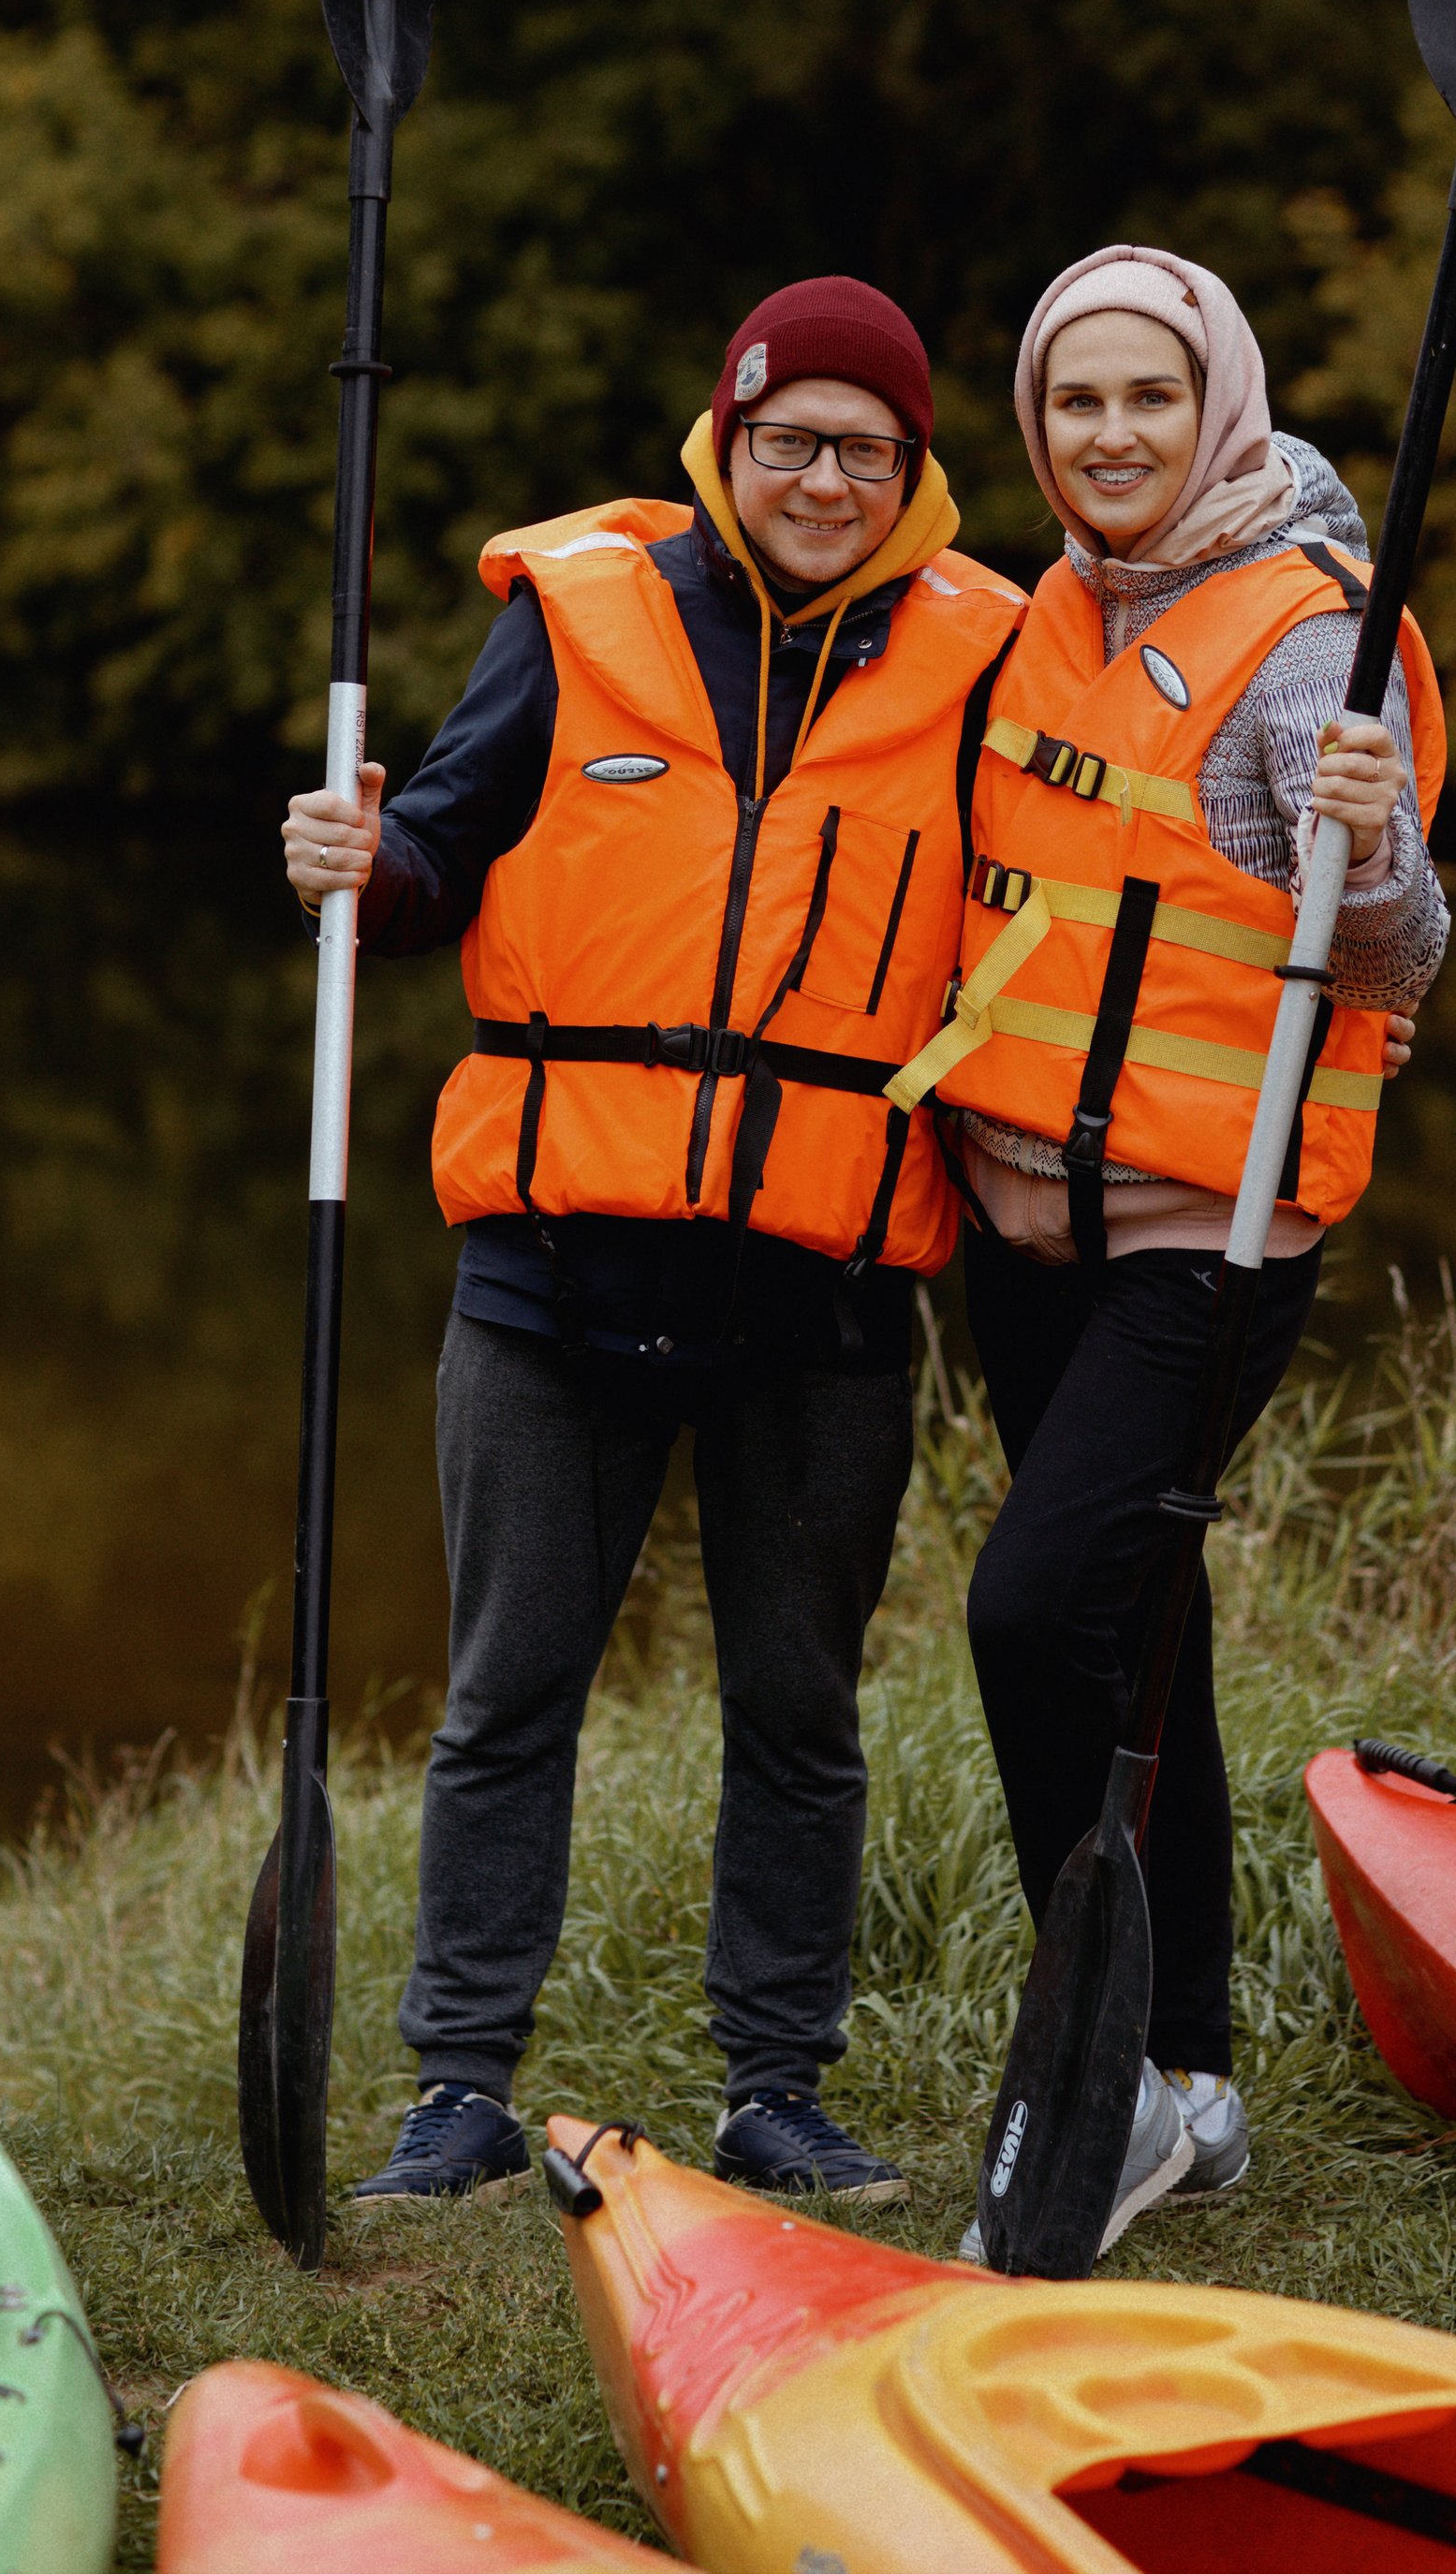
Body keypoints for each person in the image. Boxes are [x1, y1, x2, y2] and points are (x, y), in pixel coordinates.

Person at [282, 277, 1024, 2212]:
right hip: (556, 1270)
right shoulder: (582, 619)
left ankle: (774, 2086)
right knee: (505, 1690)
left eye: (866, 449)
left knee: (796, 1706)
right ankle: (456, 2087)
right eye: (791, 439)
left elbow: (1077, 891)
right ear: (728, 436)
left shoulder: (984, 662)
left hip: (826, 1290)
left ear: (912, 472)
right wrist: (365, 862)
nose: (825, 478)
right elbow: (437, 849)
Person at [890, 243, 1449, 2255]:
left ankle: (1100, 2052)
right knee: (1140, 1631)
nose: (1107, 436)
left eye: (1143, 397)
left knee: (1035, 1611)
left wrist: (1369, 851)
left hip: (1200, 1235)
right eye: (1071, 402)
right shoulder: (1040, 608)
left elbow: (1401, 957)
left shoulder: (1310, 643)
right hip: (1021, 1208)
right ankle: (1191, 2077)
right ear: (1032, 427)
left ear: (1210, 404)